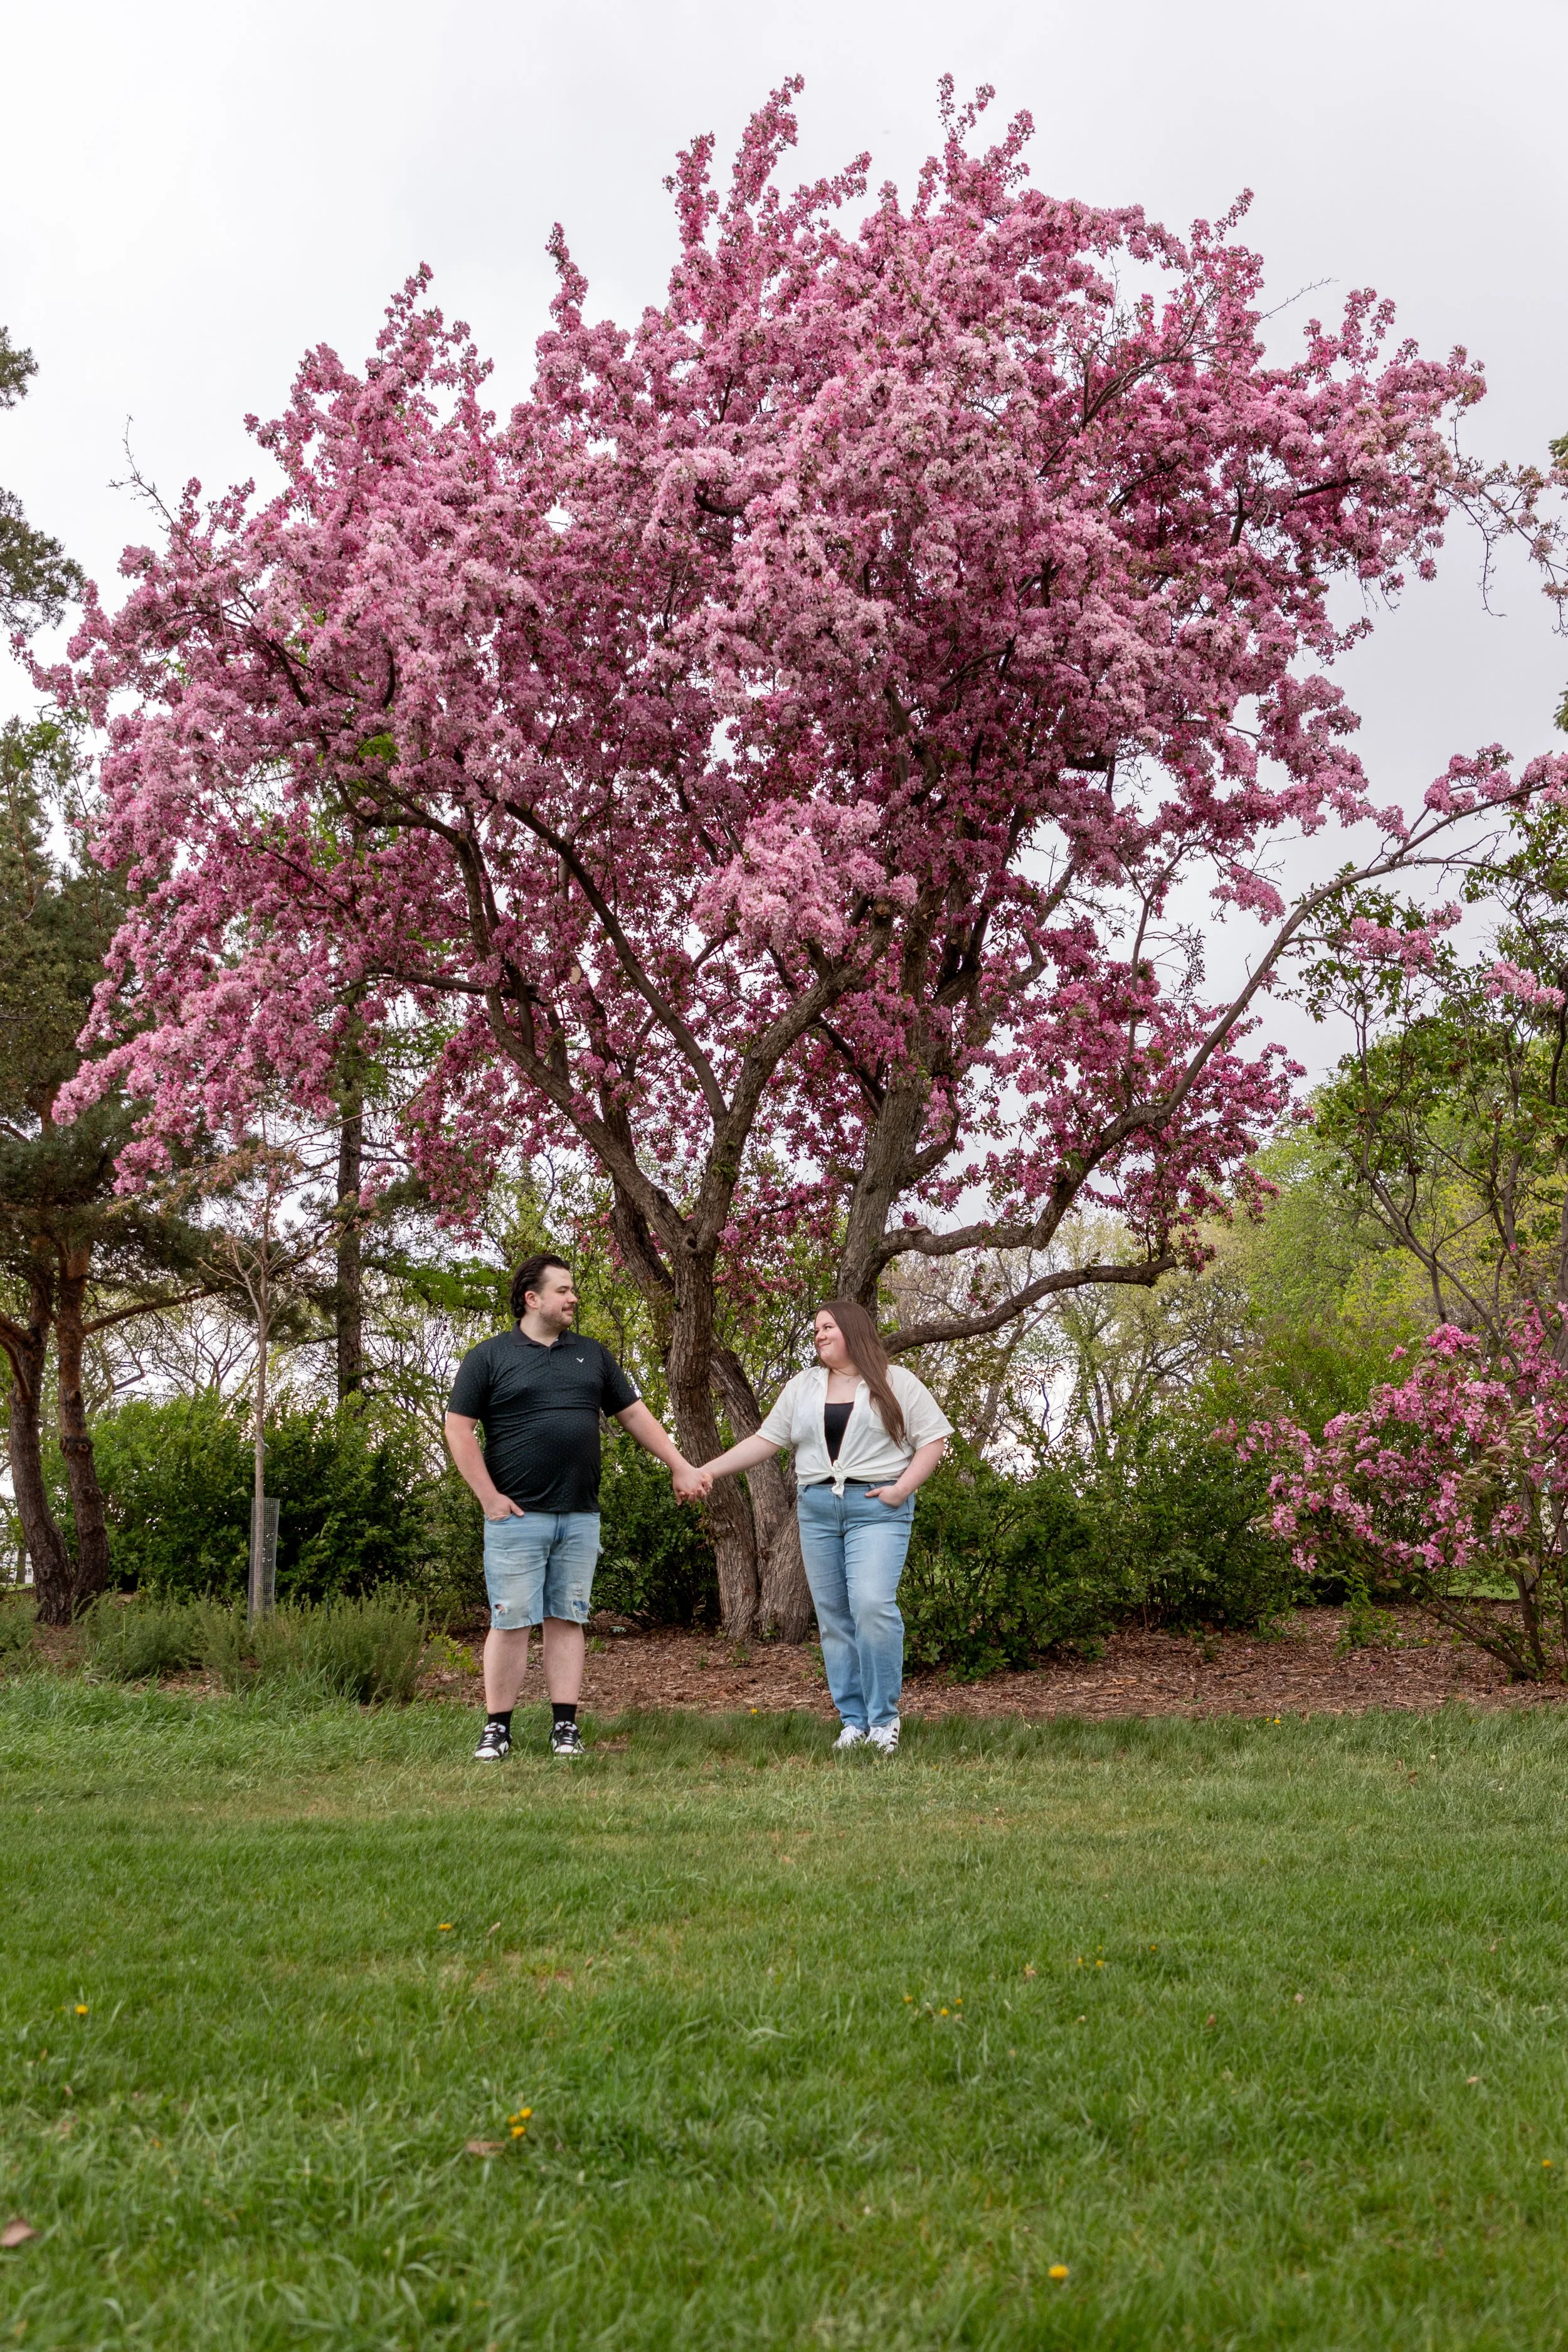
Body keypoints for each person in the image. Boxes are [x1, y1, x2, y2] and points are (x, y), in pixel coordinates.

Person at [445, 1253, 708, 1761]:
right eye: (563, 1290)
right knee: (510, 1621)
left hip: (581, 1515)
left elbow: (634, 1415)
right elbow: (459, 1430)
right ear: (532, 1298)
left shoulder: (593, 1354)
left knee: (567, 1619)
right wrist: (489, 1498)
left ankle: (565, 1727)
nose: (573, 1298)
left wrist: (680, 1464)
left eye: (573, 1290)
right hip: (516, 1516)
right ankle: (497, 1729)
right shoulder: (490, 1357)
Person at [697, 1300, 951, 1755]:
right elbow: (765, 1440)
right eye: (816, 1328)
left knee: (872, 1606)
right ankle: (853, 1722)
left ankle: (884, 1720)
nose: (819, 1334)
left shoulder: (897, 1382)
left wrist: (901, 1489)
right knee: (834, 1618)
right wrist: (710, 1471)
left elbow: (933, 1439)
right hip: (817, 1510)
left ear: (853, 1330)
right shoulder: (805, 1386)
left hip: (878, 1506)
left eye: (828, 1326)